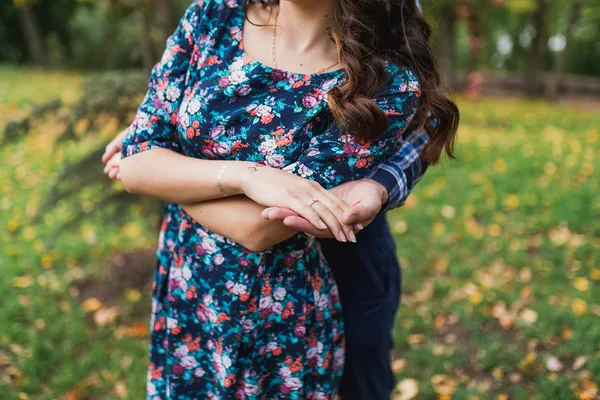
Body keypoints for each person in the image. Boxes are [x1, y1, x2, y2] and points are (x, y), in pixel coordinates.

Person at [107, 0, 458, 398]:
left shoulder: (381, 79)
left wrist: (170, 173)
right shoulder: (213, 16)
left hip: (290, 300)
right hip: (189, 290)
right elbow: (138, 162)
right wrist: (246, 177)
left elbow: (258, 230)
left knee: (363, 372)